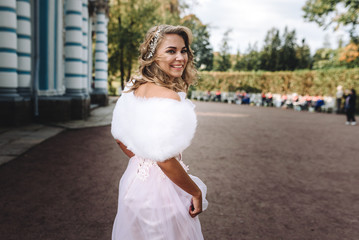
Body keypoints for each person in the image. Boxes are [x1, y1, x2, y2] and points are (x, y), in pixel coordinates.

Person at [111, 25, 208, 239]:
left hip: (133, 182)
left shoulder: (132, 90)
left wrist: (144, 160)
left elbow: (119, 138)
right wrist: (195, 192)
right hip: (162, 191)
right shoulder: (169, 98)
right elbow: (164, 159)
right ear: (153, 56)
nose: (181, 57)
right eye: (171, 51)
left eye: (184, 50)